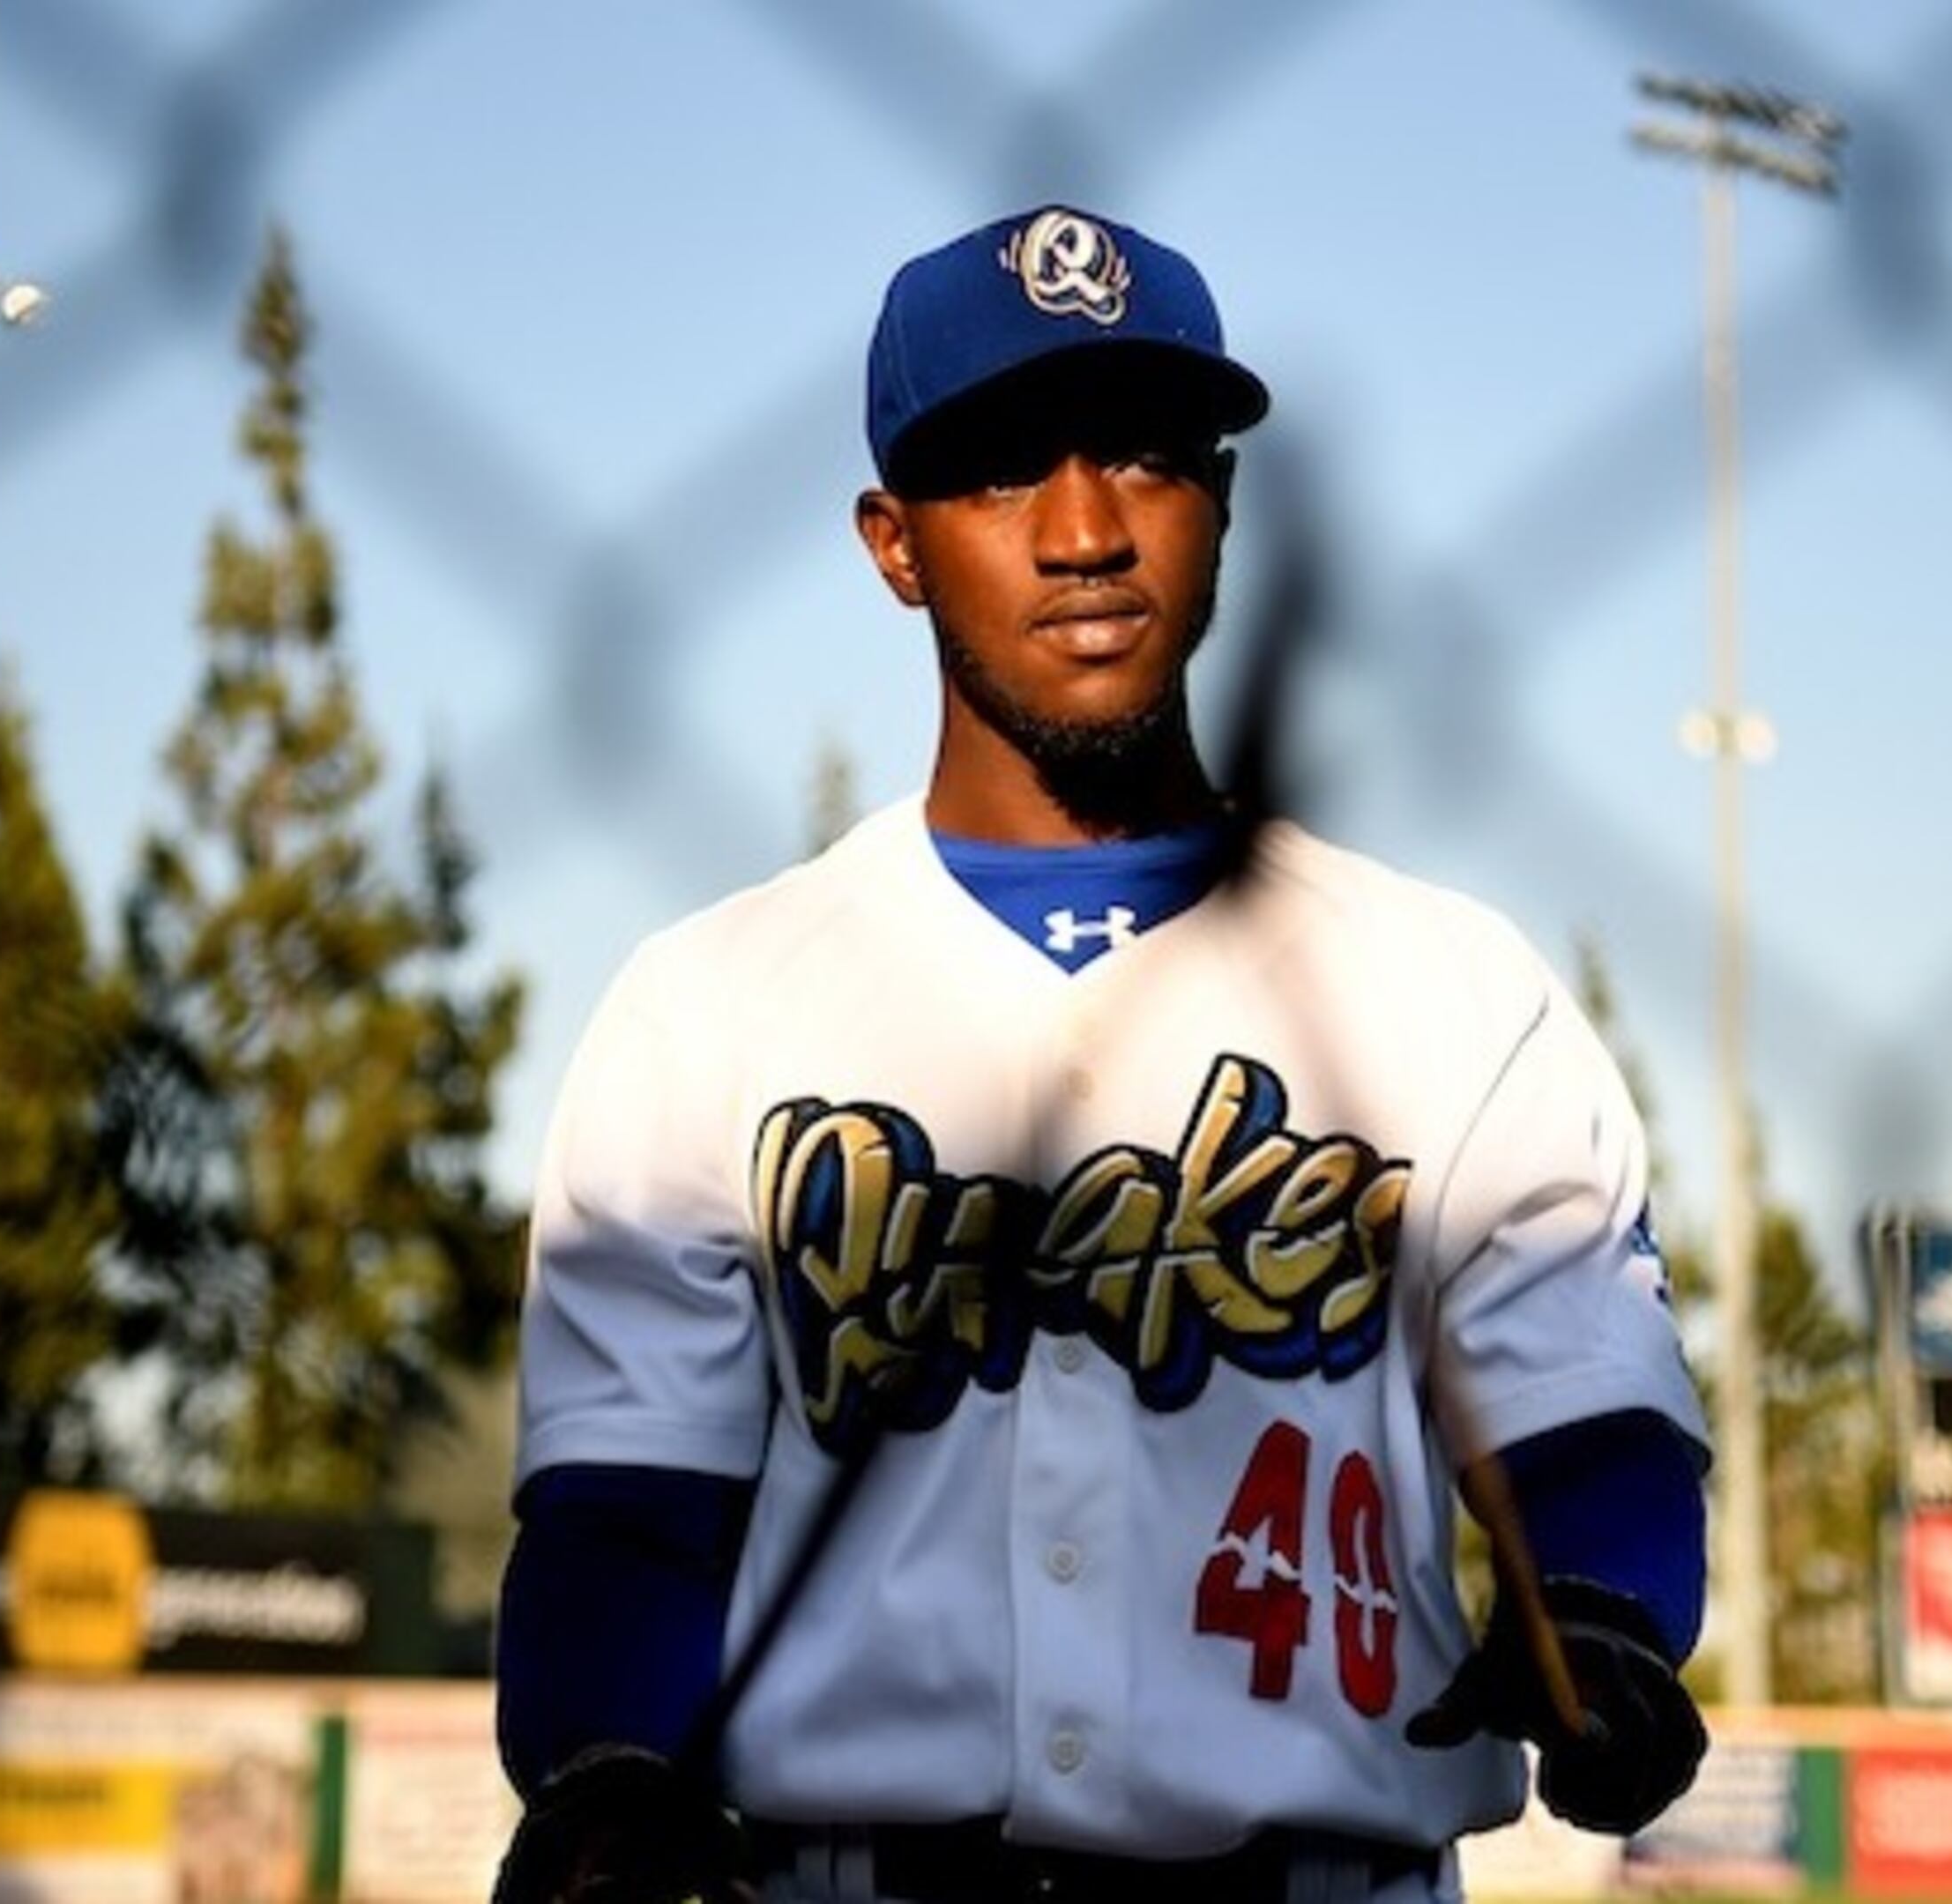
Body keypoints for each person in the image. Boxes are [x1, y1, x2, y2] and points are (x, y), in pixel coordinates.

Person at [492, 204, 1711, 1904]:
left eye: (1143, 458)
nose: (1084, 532)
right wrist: (608, 1769)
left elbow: (1593, 1423)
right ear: (892, 542)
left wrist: (1604, 1612)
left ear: (1220, 505)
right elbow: (628, 1508)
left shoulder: (1445, 990)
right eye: (999, 470)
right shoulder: (716, 1006)